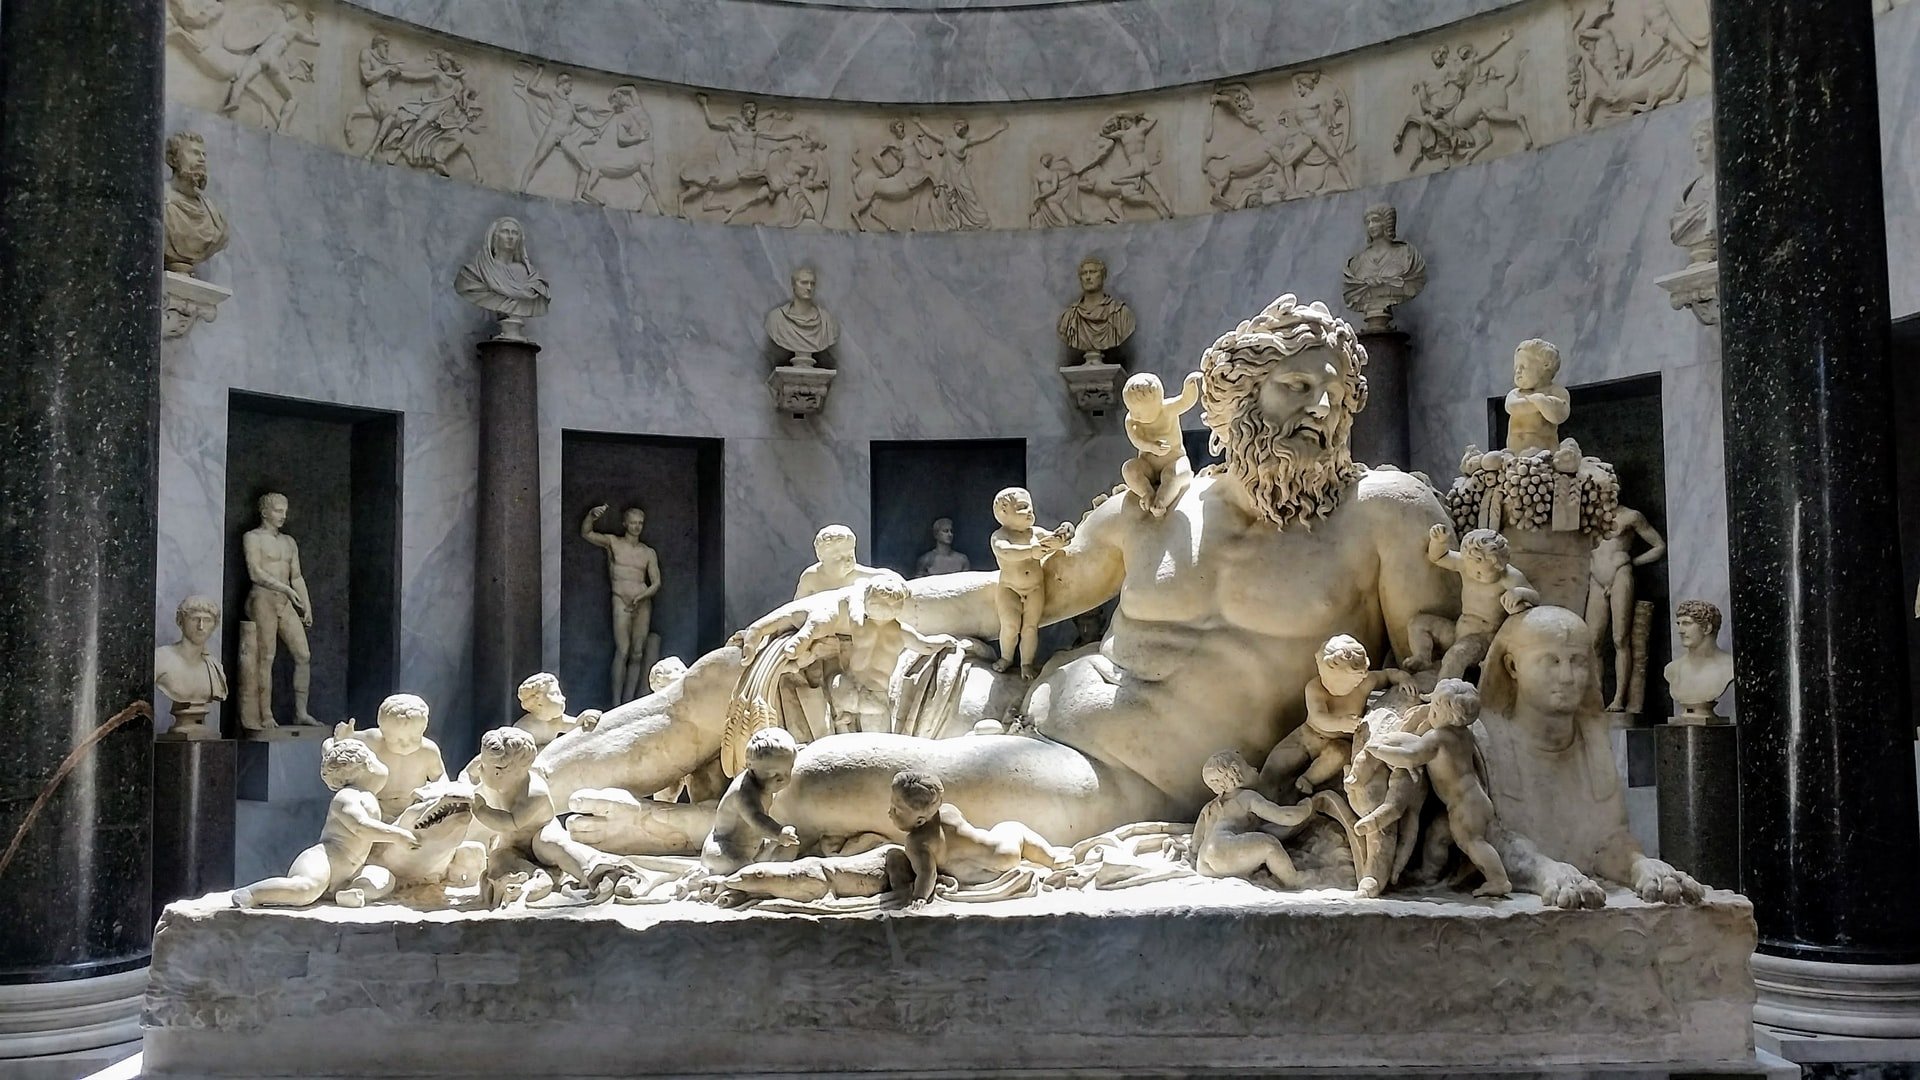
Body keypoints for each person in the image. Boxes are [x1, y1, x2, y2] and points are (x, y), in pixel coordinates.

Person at [538, 295, 1458, 851]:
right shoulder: (1163, 504)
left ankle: (679, 835)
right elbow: (1018, 595)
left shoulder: (1383, 516)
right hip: (1012, 703)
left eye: (1336, 390)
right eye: (1297, 386)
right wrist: (876, 600)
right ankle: (507, 794)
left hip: (1110, 783)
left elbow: (1440, 679)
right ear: (1237, 399)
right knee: (740, 674)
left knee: (831, 776)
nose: (1323, 408)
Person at [1477, 606, 1706, 907]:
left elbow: (1607, 842)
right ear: (1512, 667)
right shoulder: (1486, 737)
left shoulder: (1592, 736)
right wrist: (1543, 870)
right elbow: (1489, 837)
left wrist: (1639, 864)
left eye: (1578, 661)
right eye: (1551, 661)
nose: (1568, 676)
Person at [1363, 679, 1511, 896]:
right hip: (1473, 800)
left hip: (1463, 807)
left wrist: (1378, 749)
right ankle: (1428, 874)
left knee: (1473, 843)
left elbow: (1411, 757)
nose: (1430, 711)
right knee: (1437, 836)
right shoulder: (1464, 735)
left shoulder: (1437, 738)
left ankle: (1499, 880)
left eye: (1434, 708)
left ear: (1443, 714)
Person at [232, 739, 418, 908]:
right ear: (364, 766)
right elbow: (360, 826)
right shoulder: (346, 797)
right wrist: (398, 836)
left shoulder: (368, 796)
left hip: (350, 872)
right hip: (323, 861)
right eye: (374, 757)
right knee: (305, 889)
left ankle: (351, 893)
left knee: (385, 878)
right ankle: (252, 893)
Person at [1262, 635, 1413, 795]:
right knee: (1279, 761)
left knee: (1339, 755)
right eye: (1324, 677)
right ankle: (1263, 788)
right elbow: (1319, 717)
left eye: (1337, 682)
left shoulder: (1364, 683)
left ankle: (1308, 780)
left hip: (1339, 742)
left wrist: (1405, 678)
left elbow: (1388, 674)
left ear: (1358, 679)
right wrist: (1340, 723)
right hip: (1308, 736)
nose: (1327, 683)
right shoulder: (1315, 688)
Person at [889, 770, 1067, 906]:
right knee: (1012, 829)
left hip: (994, 862)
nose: (889, 812)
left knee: (1013, 828)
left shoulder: (917, 842)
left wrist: (919, 897)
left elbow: (928, 874)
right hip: (1002, 853)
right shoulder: (949, 811)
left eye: (896, 809)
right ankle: (1052, 859)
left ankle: (1052, 857)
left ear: (920, 820)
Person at [1408, 526, 1539, 681]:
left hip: (1484, 637)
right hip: (1459, 628)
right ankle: (1422, 657)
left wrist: (1519, 593)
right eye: (1473, 571)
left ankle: (1443, 691)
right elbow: (1439, 557)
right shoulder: (1466, 564)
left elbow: (1535, 597)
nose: (1476, 575)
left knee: (1456, 654)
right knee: (1418, 623)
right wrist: (1439, 542)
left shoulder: (1509, 577)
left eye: (1482, 573)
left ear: (1500, 565)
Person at [243, 492, 318, 728]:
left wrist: (306, 606)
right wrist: (285, 589)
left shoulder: (289, 542)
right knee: (266, 657)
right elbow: (255, 572)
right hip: (263, 599)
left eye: (285, 511)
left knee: (303, 655)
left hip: (285, 601)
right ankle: (266, 714)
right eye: (278, 510)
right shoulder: (252, 537)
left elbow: (297, 576)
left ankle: (301, 713)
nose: (283, 516)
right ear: (264, 512)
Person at [1192, 750, 1315, 885]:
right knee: (1269, 844)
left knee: (1256, 842)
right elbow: (1284, 816)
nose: (1255, 769)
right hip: (1222, 850)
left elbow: (1196, 844)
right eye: (1249, 766)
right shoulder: (1246, 797)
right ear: (1236, 772)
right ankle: (1293, 880)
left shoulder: (1209, 807)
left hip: (1203, 863)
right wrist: (1306, 808)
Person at [1586, 505, 1666, 711]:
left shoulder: (1631, 516)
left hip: (1620, 573)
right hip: (1596, 578)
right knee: (1593, 641)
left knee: (1620, 638)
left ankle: (1619, 698)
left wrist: (1632, 561)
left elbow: (1659, 546)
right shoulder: (1589, 512)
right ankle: (1596, 698)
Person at [580, 504, 662, 704]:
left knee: (637, 652)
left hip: (641, 602)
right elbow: (586, 533)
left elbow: (657, 582)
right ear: (625, 524)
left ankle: (629, 701)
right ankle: (616, 703)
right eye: (633, 523)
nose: (636, 527)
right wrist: (592, 515)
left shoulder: (648, 552)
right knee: (623, 650)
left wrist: (641, 597)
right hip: (621, 600)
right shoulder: (613, 542)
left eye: (640, 523)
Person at [989, 488, 1074, 678]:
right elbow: (1007, 552)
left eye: (1030, 507)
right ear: (1004, 513)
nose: (1029, 511)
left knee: (1029, 628)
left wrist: (1063, 534)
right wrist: (1031, 551)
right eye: (1022, 507)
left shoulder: (1036, 533)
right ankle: (1006, 658)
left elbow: (1053, 540)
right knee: (1010, 627)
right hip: (1009, 588)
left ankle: (1027, 663)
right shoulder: (999, 537)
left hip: (1035, 587)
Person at [333, 694, 446, 822]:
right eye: (397, 739)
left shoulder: (428, 750)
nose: (405, 744)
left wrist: (437, 790)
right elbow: (338, 748)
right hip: (377, 808)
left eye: (414, 738)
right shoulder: (373, 741)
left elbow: (440, 777)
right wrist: (343, 740)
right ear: (383, 732)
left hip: (414, 809)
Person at [702, 728, 800, 875]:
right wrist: (778, 832)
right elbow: (756, 818)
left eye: (788, 770)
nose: (782, 779)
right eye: (773, 774)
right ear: (751, 767)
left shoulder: (762, 783)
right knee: (745, 870)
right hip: (724, 848)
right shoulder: (743, 792)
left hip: (756, 846)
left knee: (791, 846)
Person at [1120, 372, 1202, 517]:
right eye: (1130, 409)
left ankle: (1161, 501)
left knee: (1173, 476)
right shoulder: (1132, 420)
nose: (1134, 415)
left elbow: (1185, 401)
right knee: (1129, 469)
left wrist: (1189, 386)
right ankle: (1147, 492)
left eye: (1139, 412)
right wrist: (1151, 447)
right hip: (1148, 465)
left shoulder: (1168, 409)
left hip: (1174, 460)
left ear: (1157, 405)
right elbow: (1136, 440)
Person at [1504, 339, 1571, 454]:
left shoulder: (1557, 392)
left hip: (1544, 455)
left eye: (1523, 366)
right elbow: (1512, 407)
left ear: (1546, 365)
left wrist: (1541, 401)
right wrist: (1540, 403)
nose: (1518, 371)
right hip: (1516, 456)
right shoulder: (1515, 393)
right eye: (1516, 368)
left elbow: (1559, 416)